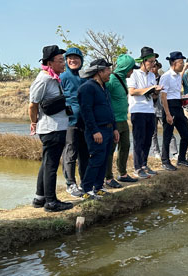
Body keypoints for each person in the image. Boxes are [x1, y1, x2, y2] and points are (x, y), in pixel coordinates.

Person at [29, 45, 73, 212]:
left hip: (58, 126)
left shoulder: (54, 78)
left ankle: (40, 197)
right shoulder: (43, 79)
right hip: (50, 129)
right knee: (51, 165)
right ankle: (51, 202)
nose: (64, 64)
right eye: (61, 61)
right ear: (50, 62)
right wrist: (34, 122)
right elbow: (33, 105)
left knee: (47, 162)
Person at [78, 59, 120, 199]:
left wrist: (114, 128)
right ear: (99, 72)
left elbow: (110, 109)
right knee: (96, 158)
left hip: (108, 129)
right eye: (107, 70)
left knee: (105, 158)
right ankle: (86, 188)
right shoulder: (87, 87)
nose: (109, 73)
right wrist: (94, 130)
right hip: (97, 130)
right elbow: (86, 111)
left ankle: (98, 186)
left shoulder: (104, 88)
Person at [104, 54, 139, 188]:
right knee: (111, 149)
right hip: (114, 121)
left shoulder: (123, 79)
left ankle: (122, 174)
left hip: (123, 119)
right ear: (125, 68)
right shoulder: (112, 80)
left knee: (125, 146)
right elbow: (104, 98)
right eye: (131, 69)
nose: (132, 71)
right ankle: (108, 177)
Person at [128, 47, 163, 179]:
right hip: (137, 110)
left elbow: (153, 97)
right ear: (143, 61)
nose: (153, 64)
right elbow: (132, 91)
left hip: (150, 110)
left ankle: (144, 164)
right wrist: (149, 89)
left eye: (154, 61)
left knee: (148, 139)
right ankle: (137, 168)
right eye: (151, 61)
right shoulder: (134, 73)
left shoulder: (152, 75)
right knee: (139, 140)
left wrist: (156, 91)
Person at [60, 47, 88, 197]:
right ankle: (70, 184)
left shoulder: (84, 78)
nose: (73, 61)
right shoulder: (63, 77)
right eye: (70, 58)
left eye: (76, 58)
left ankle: (85, 182)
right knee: (70, 152)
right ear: (66, 61)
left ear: (81, 61)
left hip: (85, 122)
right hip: (70, 122)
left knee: (84, 154)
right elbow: (60, 99)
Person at [159, 51, 188, 171]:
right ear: (173, 63)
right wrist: (167, 114)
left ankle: (182, 159)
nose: (182, 64)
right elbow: (163, 97)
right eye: (180, 63)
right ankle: (165, 161)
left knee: (186, 135)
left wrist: (185, 68)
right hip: (169, 107)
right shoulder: (166, 77)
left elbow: (177, 88)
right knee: (167, 136)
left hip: (178, 106)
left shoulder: (178, 75)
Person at [151, 61, 177, 161]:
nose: (153, 68)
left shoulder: (163, 78)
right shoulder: (148, 79)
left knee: (169, 130)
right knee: (153, 133)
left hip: (163, 109)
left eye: (155, 66)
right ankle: (156, 152)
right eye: (152, 66)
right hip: (151, 110)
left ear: (158, 67)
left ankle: (174, 153)